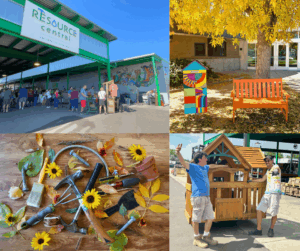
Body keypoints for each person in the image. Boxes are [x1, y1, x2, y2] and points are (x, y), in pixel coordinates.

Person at [176, 144, 230, 248]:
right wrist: (178, 152)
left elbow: (213, 166)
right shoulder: (193, 167)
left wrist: (224, 166)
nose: (207, 159)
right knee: (196, 219)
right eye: (205, 158)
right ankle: (196, 238)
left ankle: (206, 236)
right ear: (200, 159)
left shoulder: (205, 167)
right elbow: (183, 162)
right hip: (197, 197)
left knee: (210, 217)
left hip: (206, 197)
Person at [248, 156, 281, 237]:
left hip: (275, 193)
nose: (267, 162)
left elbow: (277, 171)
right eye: (266, 161)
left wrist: (272, 171)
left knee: (273, 212)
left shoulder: (276, 167)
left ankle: (271, 229)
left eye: (268, 161)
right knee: (259, 209)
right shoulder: (268, 171)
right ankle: (259, 230)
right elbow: (262, 179)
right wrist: (252, 180)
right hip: (267, 193)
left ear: (272, 161)